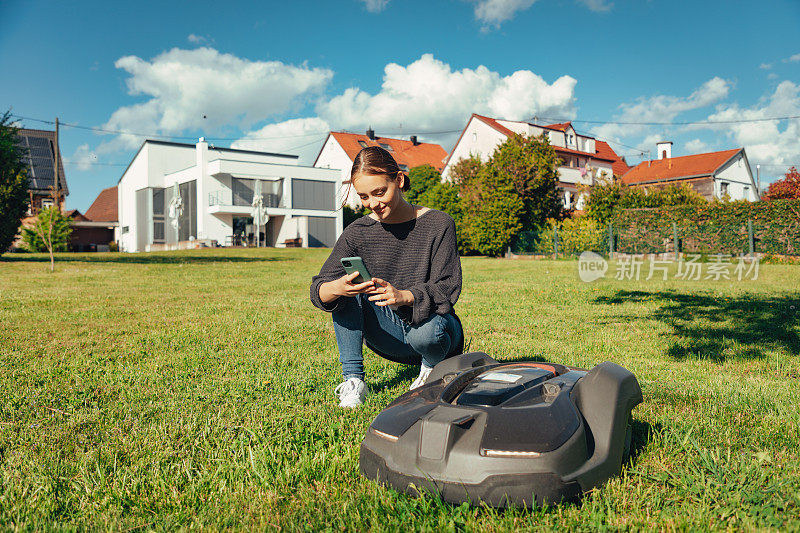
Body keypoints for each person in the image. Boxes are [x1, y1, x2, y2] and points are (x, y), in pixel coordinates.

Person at [310, 146, 464, 408]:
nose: (373, 204)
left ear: (399, 180)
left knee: (425, 333)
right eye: (364, 196)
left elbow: (448, 288)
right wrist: (337, 287)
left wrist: (404, 296)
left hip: (436, 332)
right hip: (388, 336)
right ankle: (353, 381)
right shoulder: (357, 232)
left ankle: (429, 370)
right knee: (345, 288)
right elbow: (318, 290)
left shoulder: (439, 224)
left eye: (380, 192)